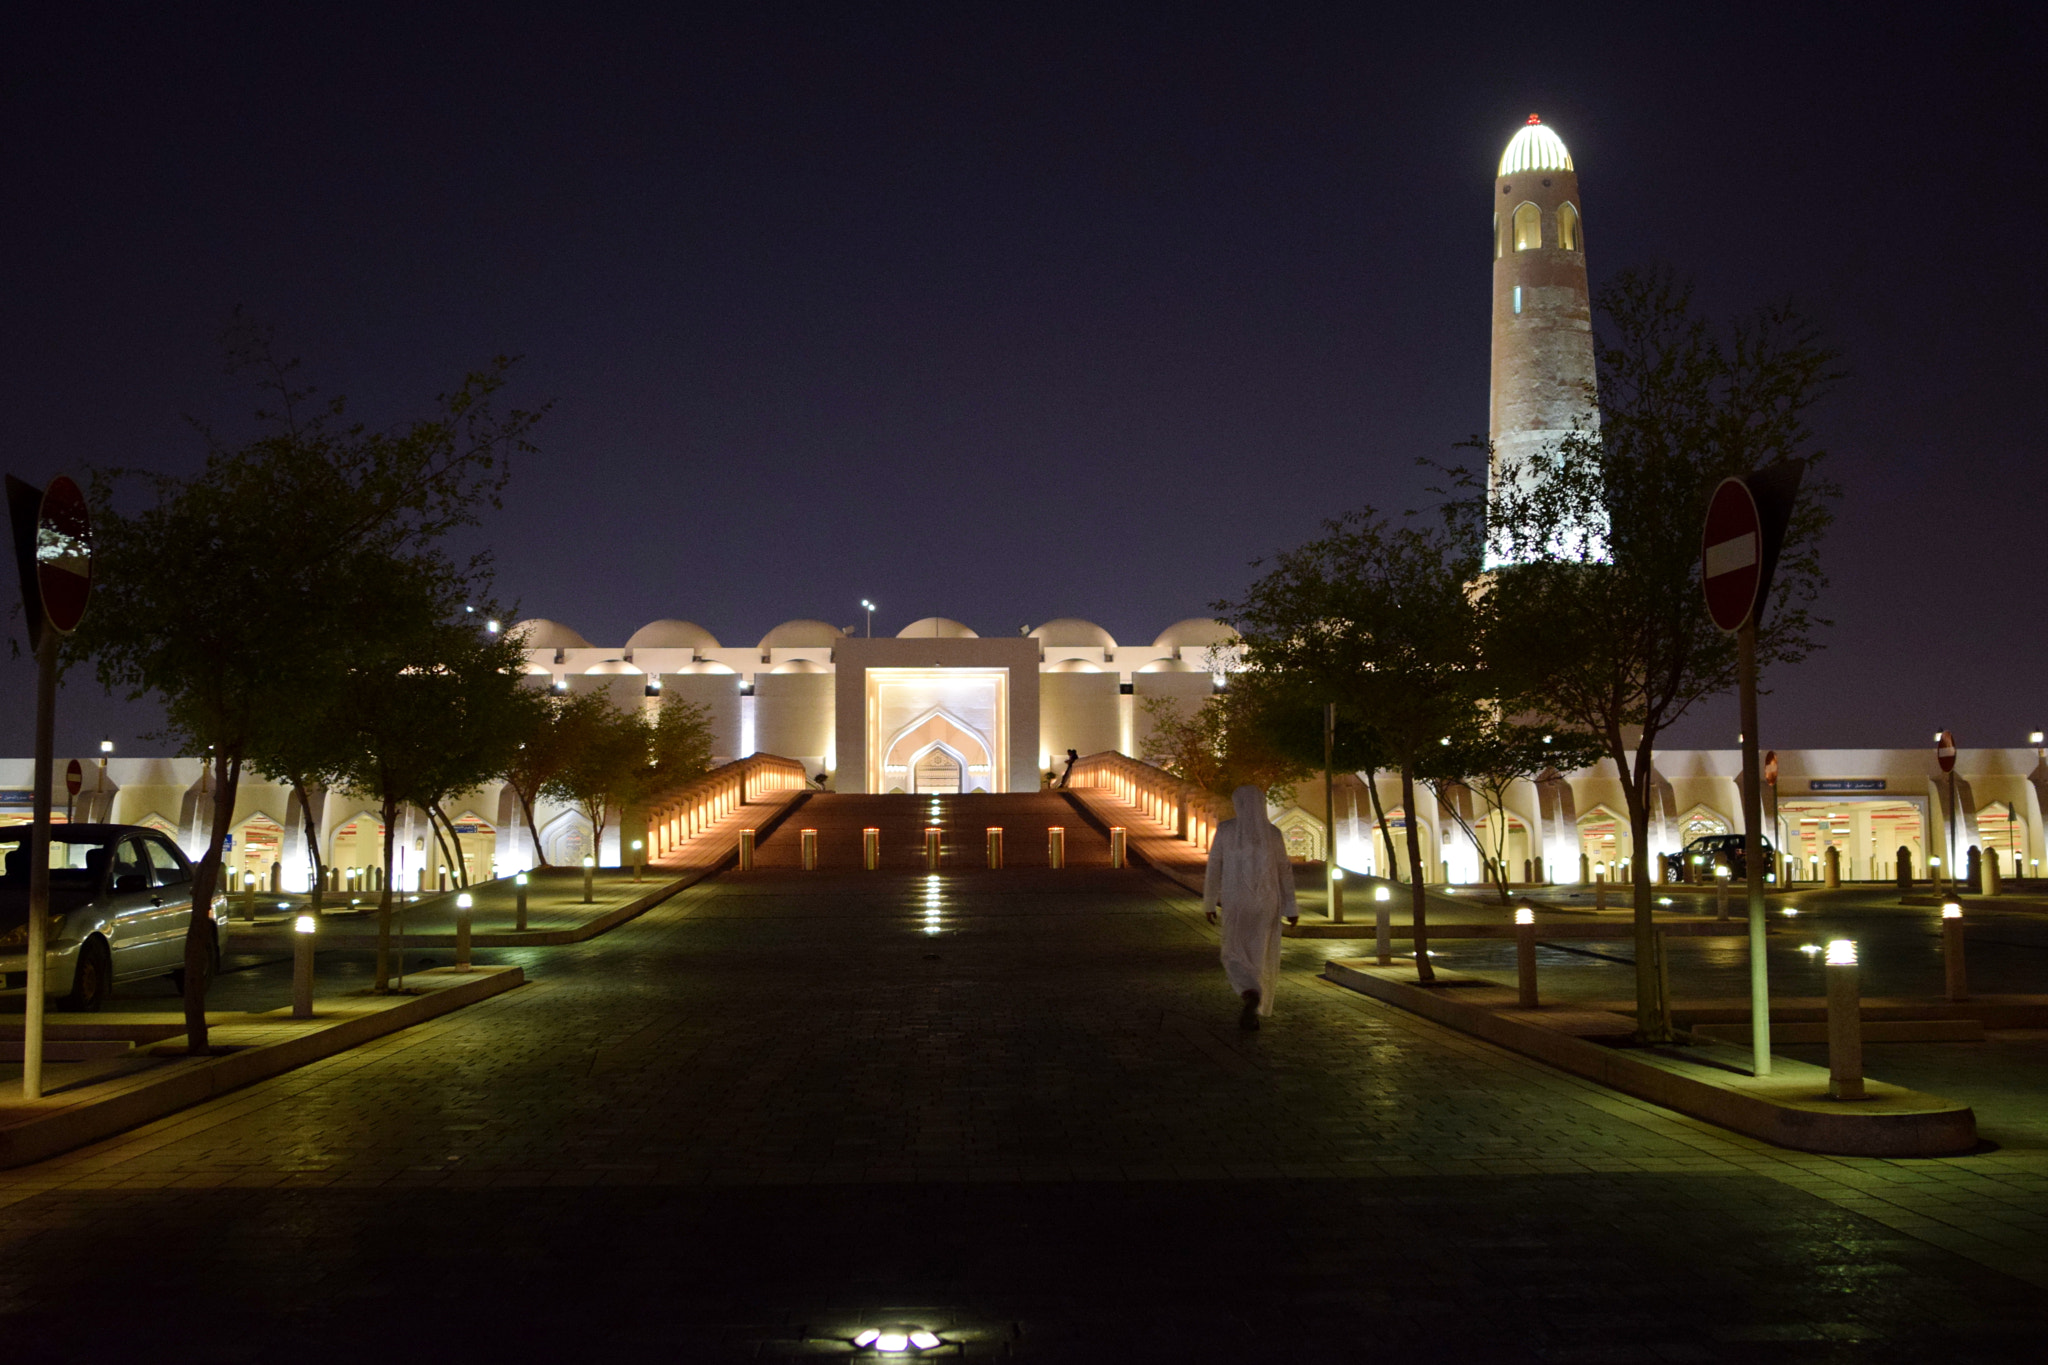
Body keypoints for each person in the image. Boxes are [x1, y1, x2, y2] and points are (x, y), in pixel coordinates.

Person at [1202, 784, 1298, 1030]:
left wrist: (1210, 902)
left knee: (1233, 952)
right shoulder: (1273, 833)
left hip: (1236, 902)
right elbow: (1285, 872)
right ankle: (1254, 1000)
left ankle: (1249, 992)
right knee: (1260, 953)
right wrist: (1291, 908)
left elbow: (1214, 868)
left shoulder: (1225, 830)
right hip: (1267, 903)